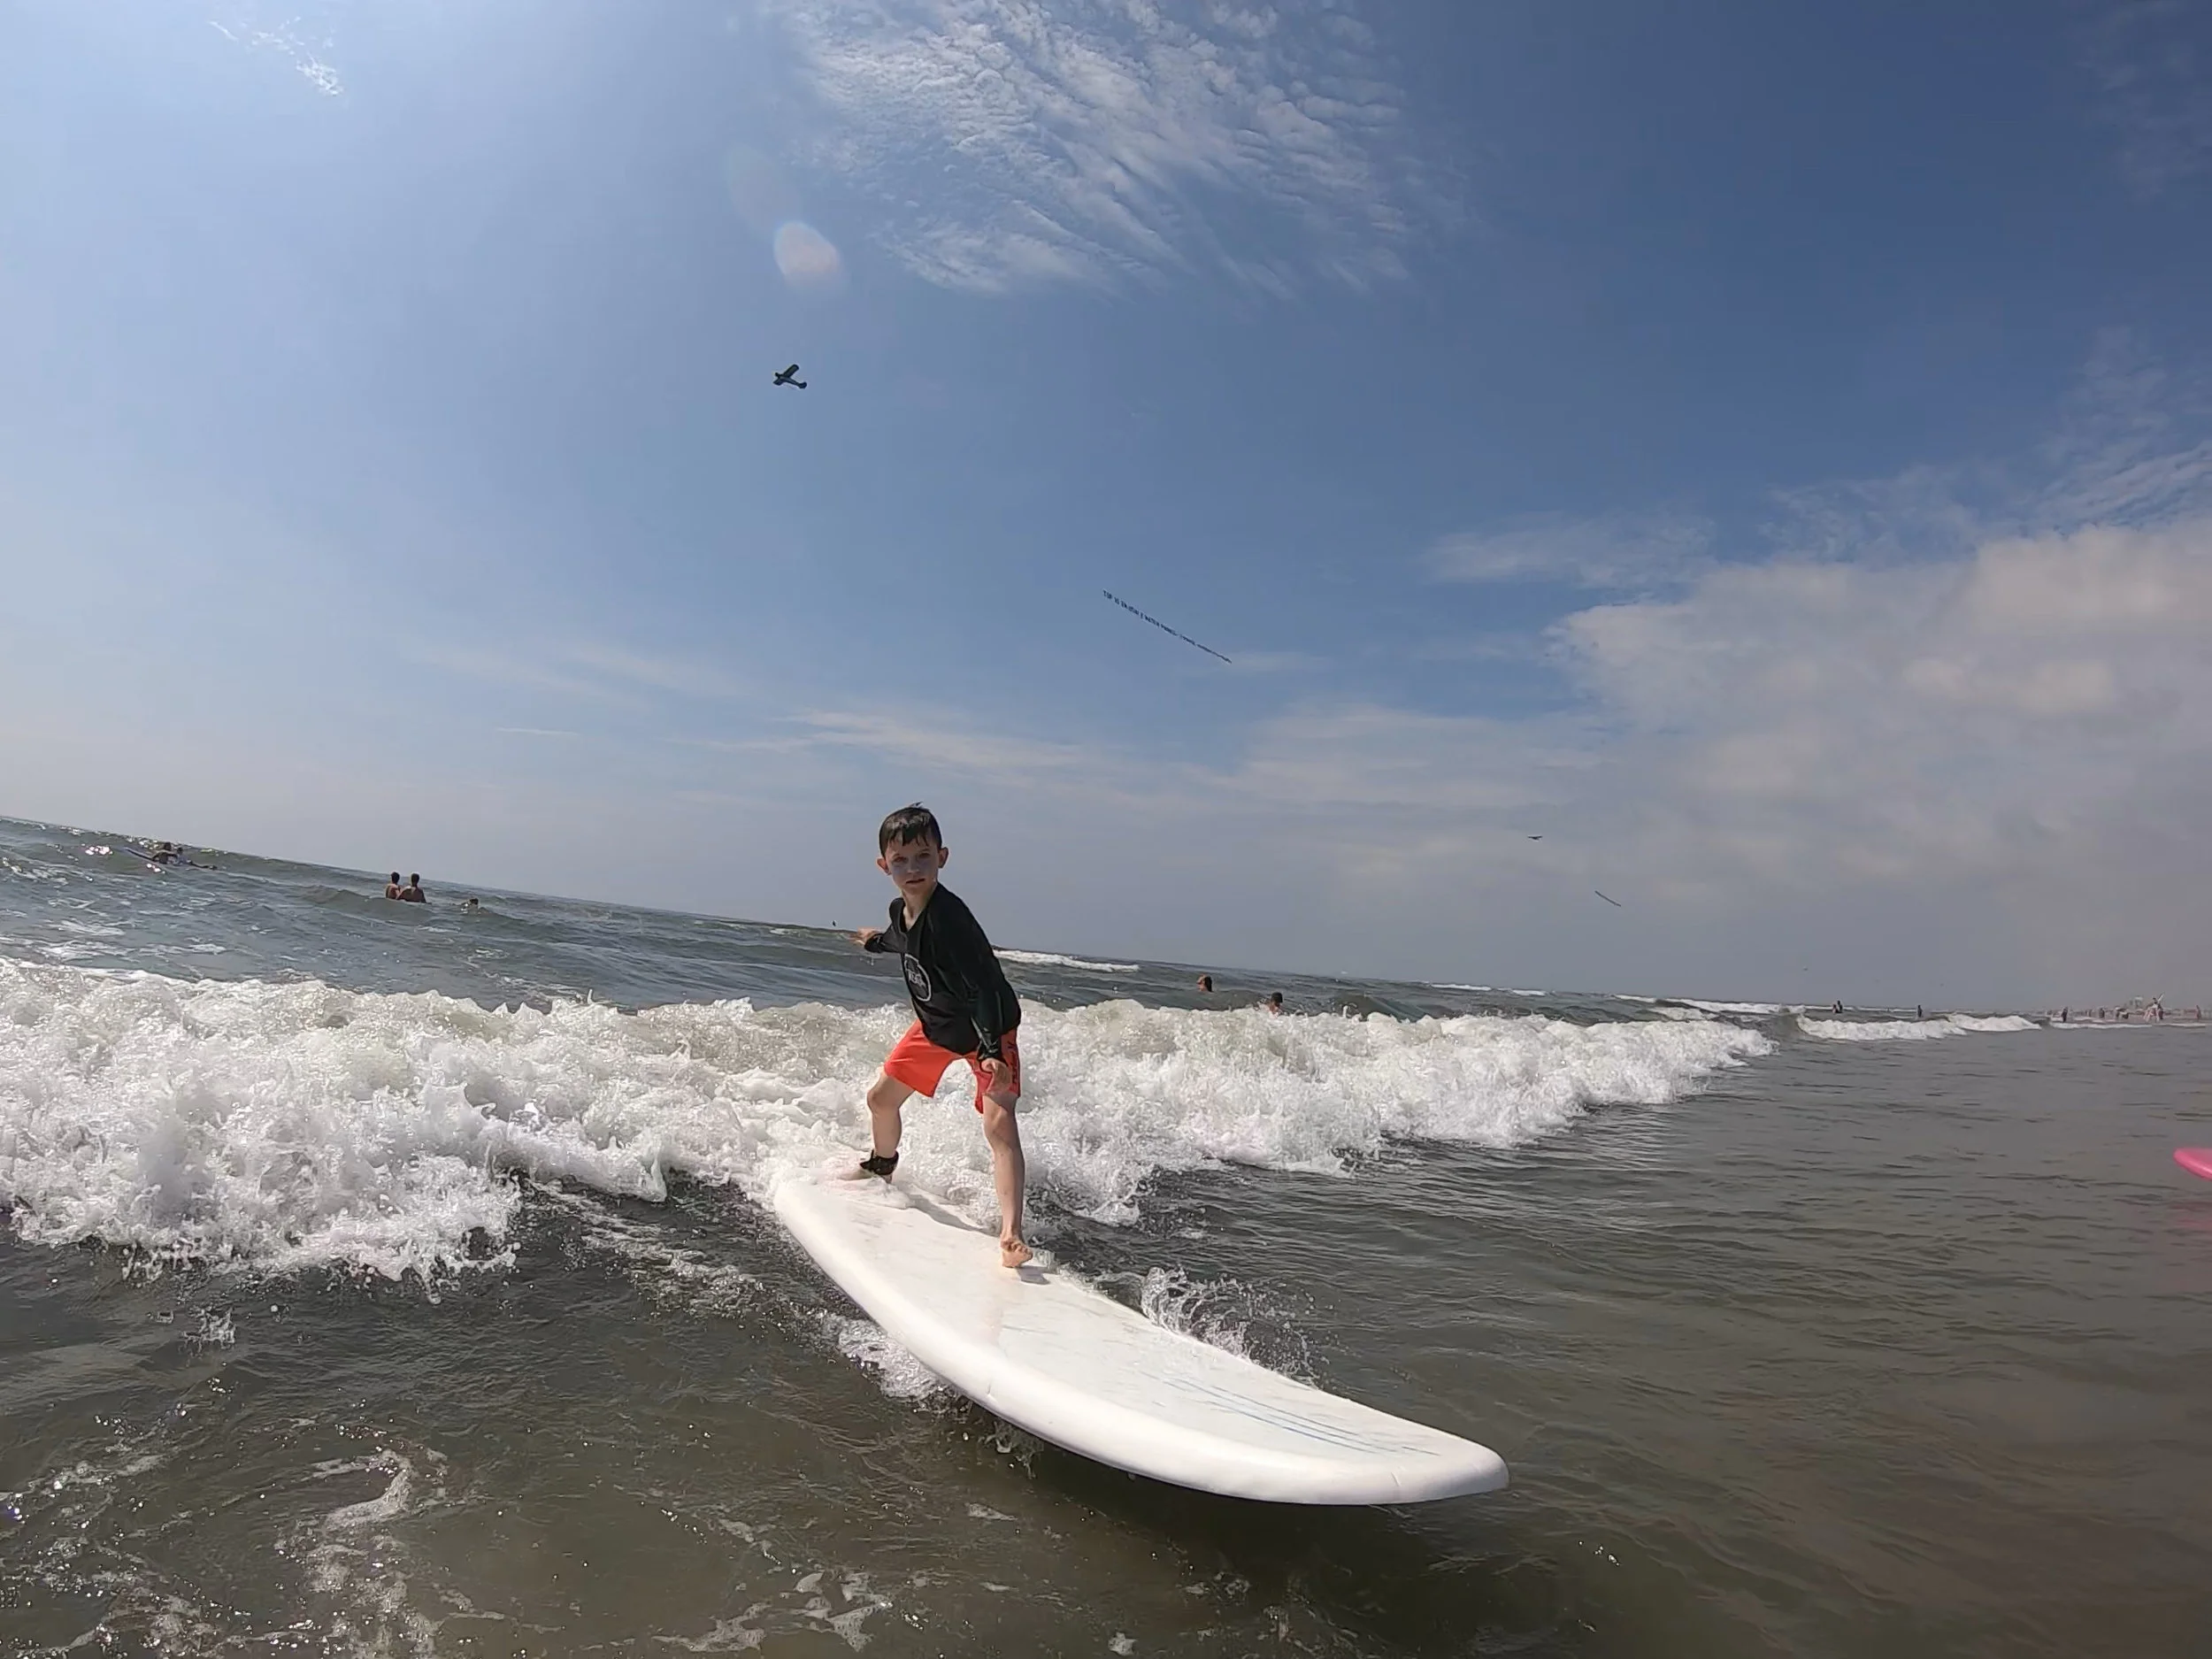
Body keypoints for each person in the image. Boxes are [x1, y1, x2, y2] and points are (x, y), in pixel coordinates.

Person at [851, 804, 1030, 1269]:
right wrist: (876, 941)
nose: (913, 869)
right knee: (881, 1100)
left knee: (998, 1124)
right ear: (883, 865)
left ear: (942, 857)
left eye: (923, 857)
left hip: (985, 1028)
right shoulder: (903, 908)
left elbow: (986, 985)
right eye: (901, 860)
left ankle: (1011, 1234)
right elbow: (901, 936)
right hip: (936, 1027)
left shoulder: (951, 920)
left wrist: (992, 1050)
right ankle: (882, 1166)